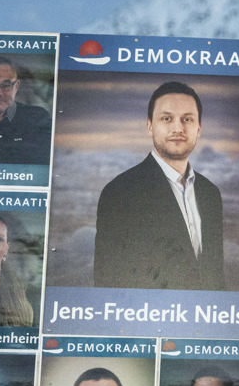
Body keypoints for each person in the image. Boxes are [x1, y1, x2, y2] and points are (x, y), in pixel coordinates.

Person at [93, 81, 224, 290]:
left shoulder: (210, 193)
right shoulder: (119, 193)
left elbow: (215, 276)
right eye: (167, 118)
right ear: (150, 125)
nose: (178, 128)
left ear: (198, 129)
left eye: (187, 119)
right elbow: (108, 281)